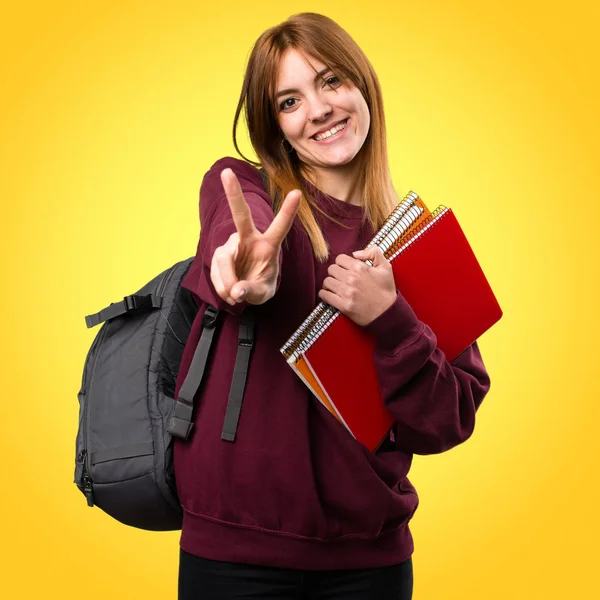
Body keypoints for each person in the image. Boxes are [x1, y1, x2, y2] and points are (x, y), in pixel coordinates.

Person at [174, 12, 490, 600]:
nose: (317, 109)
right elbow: (239, 240)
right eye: (289, 101)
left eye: (331, 82)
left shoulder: (423, 246)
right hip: (230, 556)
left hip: (367, 565)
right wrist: (244, 269)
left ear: (363, 86)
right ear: (276, 127)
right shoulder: (241, 189)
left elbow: (447, 422)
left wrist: (391, 319)